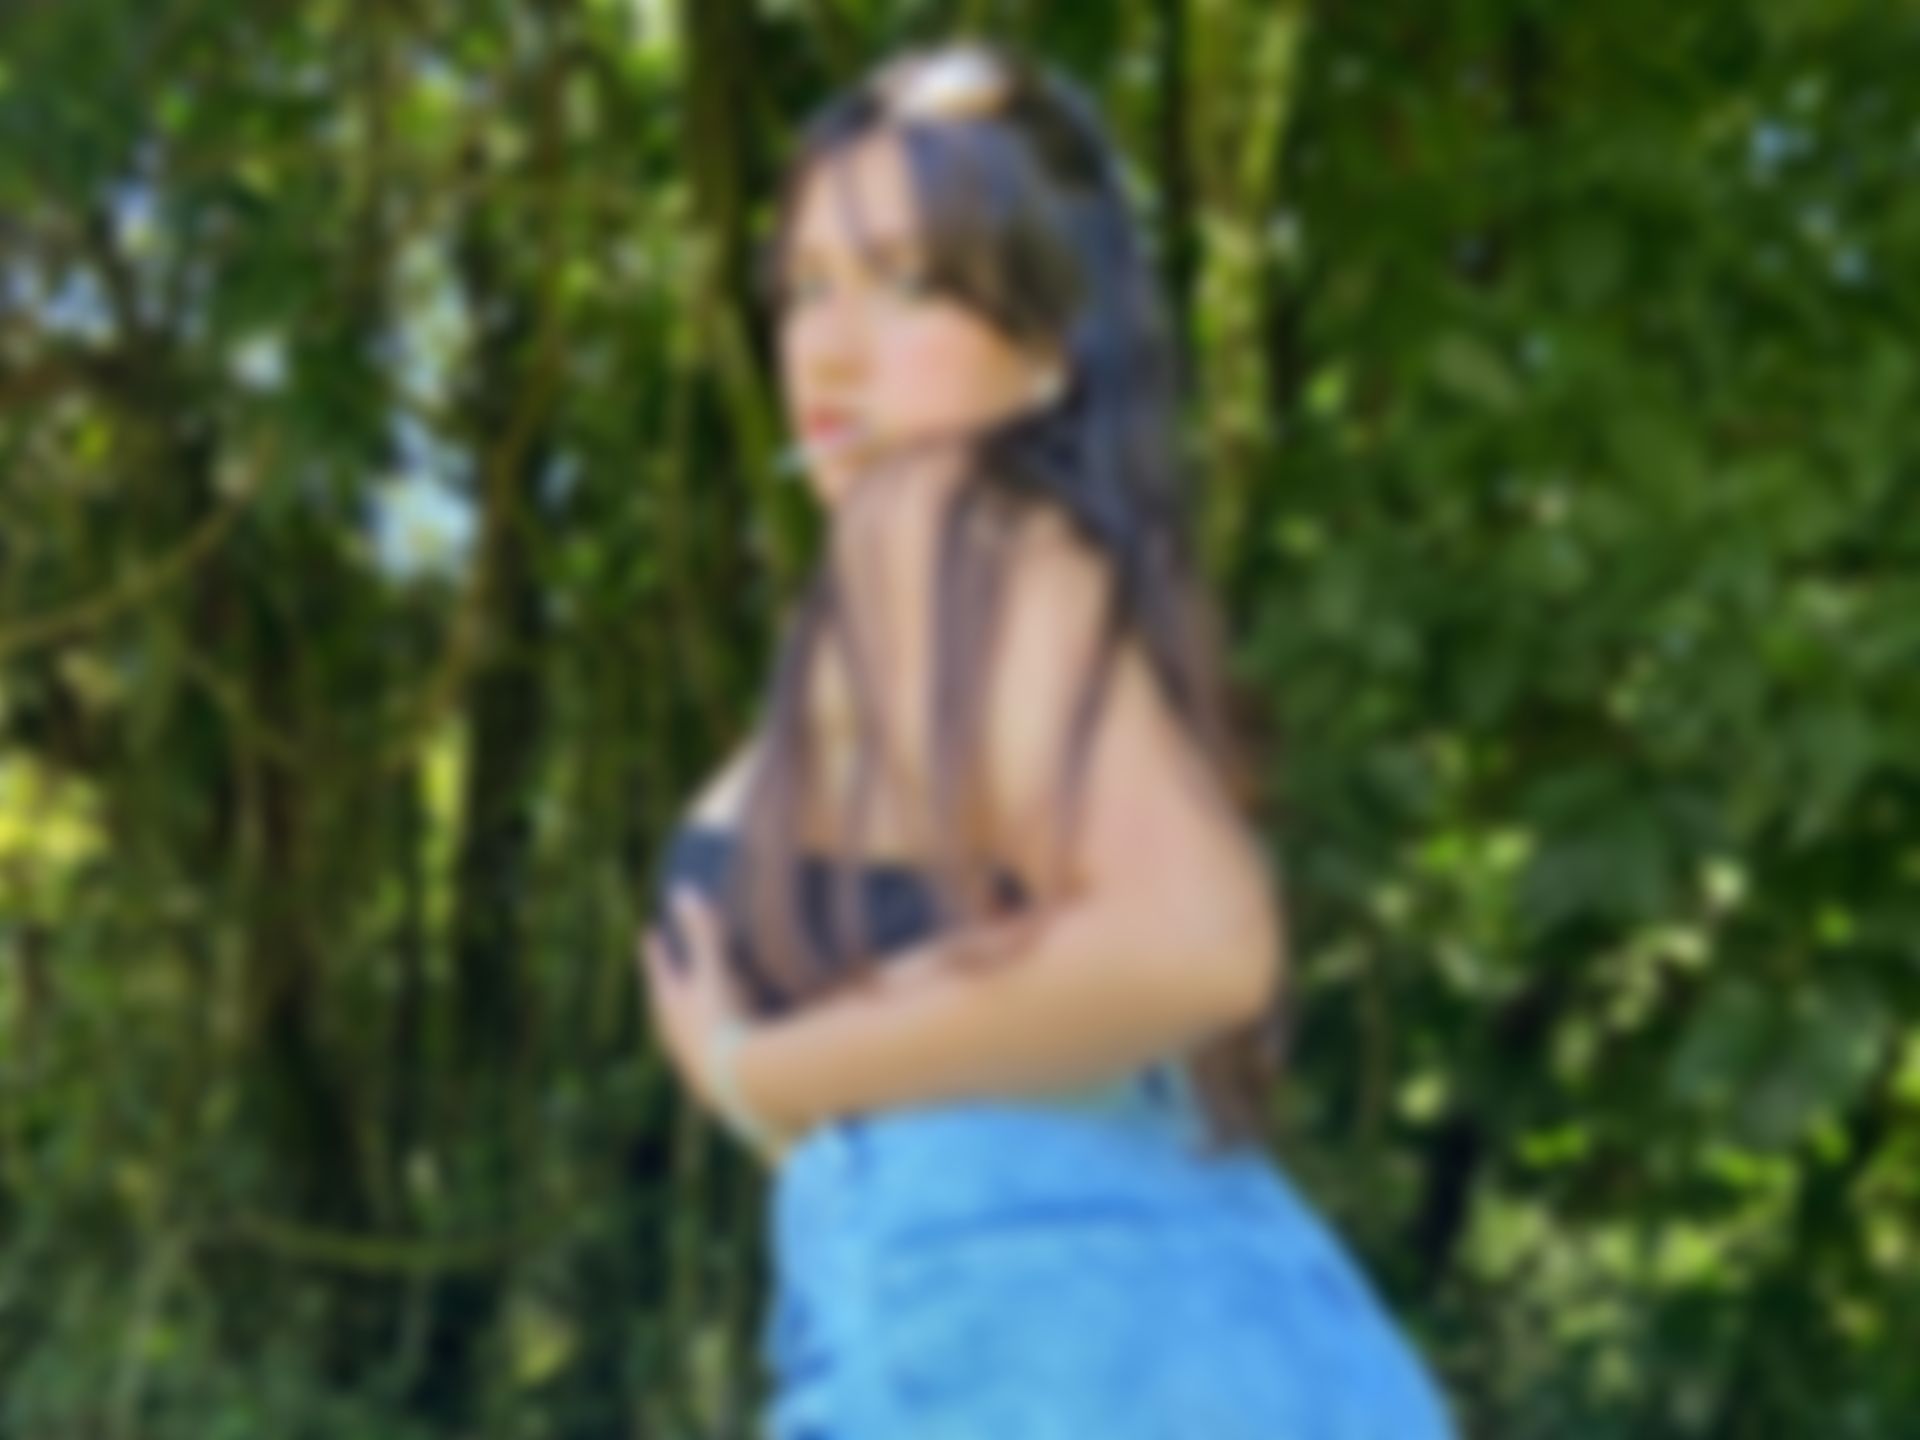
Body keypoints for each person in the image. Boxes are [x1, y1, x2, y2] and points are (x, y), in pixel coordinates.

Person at [637, 40, 1457, 1439]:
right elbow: (944, 1110)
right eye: (806, 287)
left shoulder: (940, 522)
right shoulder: (998, 581)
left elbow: (1198, 941)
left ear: (1049, 343)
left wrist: (750, 1069)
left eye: (909, 284)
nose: (828, 350)